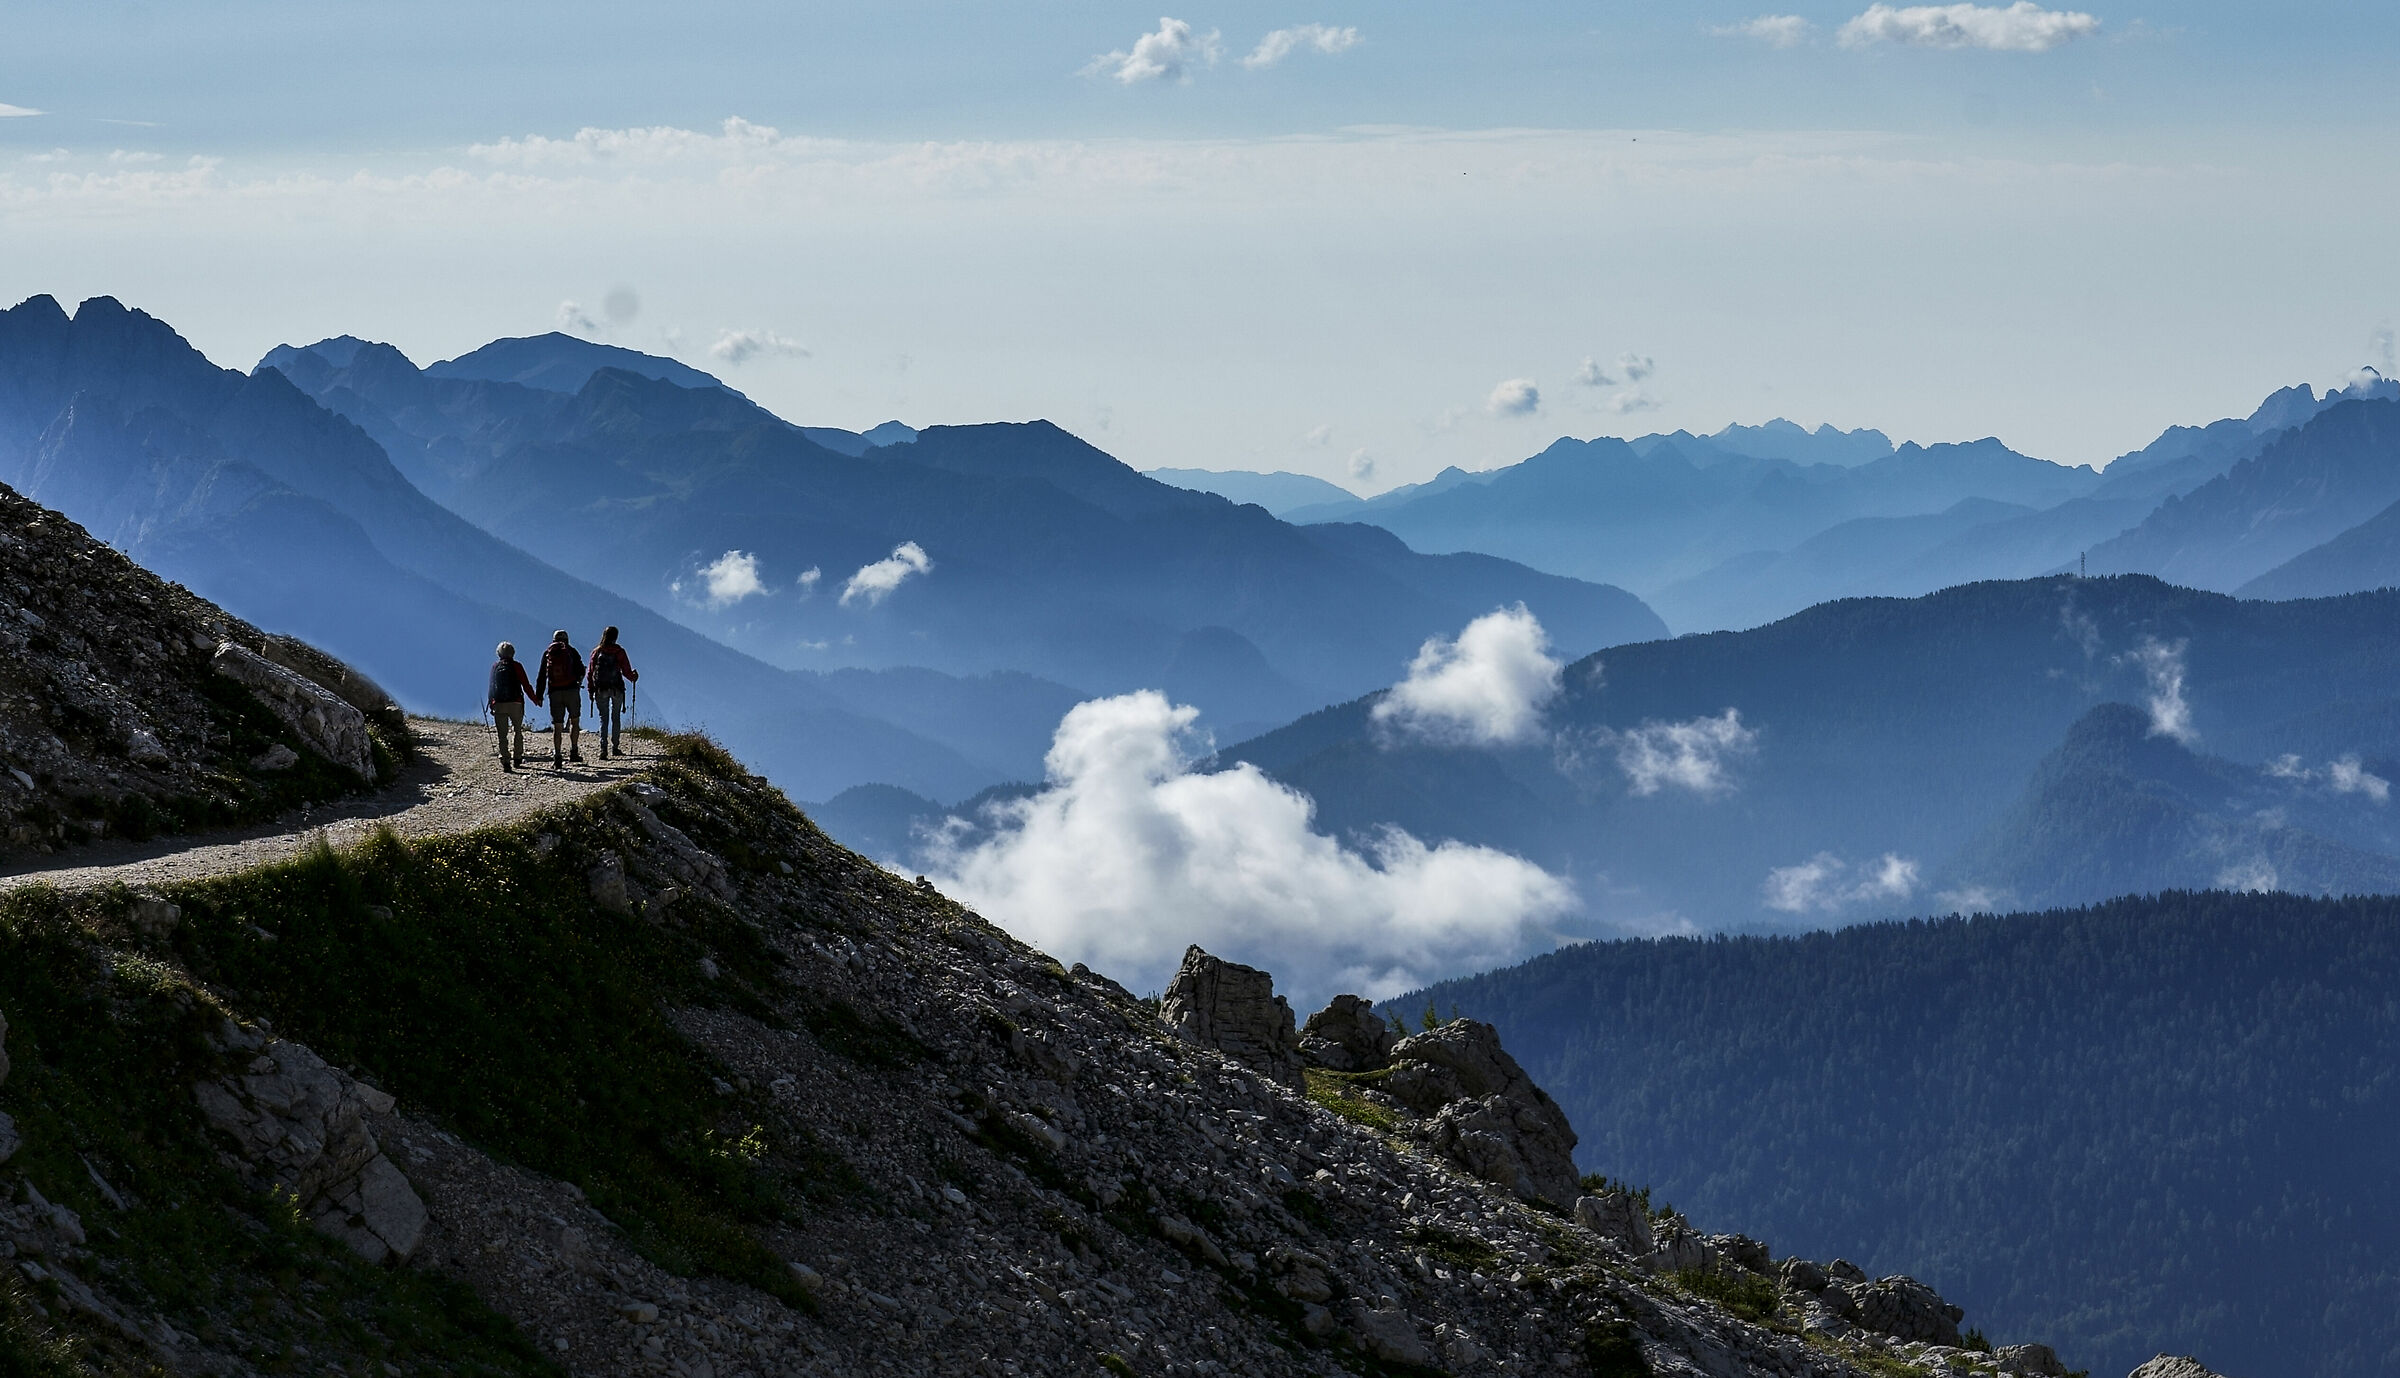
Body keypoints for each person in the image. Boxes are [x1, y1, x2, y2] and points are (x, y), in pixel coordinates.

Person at [586, 624, 639, 760]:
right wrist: (634, 677)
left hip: (601, 689)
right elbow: (627, 671)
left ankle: (603, 747)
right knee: (616, 717)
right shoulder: (619, 651)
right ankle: (615, 747)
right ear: (616, 637)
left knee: (603, 718)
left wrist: (590, 689)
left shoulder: (597, 652)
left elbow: (591, 672)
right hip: (616, 688)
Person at [486, 641, 541, 771]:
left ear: (499, 653)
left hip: (499, 703)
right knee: (517, 730)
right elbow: (526, 685)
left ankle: (505, 760)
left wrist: (491, 703)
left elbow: (491, 686)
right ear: (513, 653)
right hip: (516, 703)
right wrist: (535, 699)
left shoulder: (495, 666)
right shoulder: (517, 666)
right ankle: (517, 757)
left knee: (502, 734)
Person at [537, 629, 587, 765]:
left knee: (557, 726)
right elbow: (581, 671)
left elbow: (542, 675)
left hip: (555, 692)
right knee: (574, 721)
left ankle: (558, 755)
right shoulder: (571, 651)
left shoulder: (548, 653)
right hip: (571, 690)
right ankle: (574, 752)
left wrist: (539, 695)